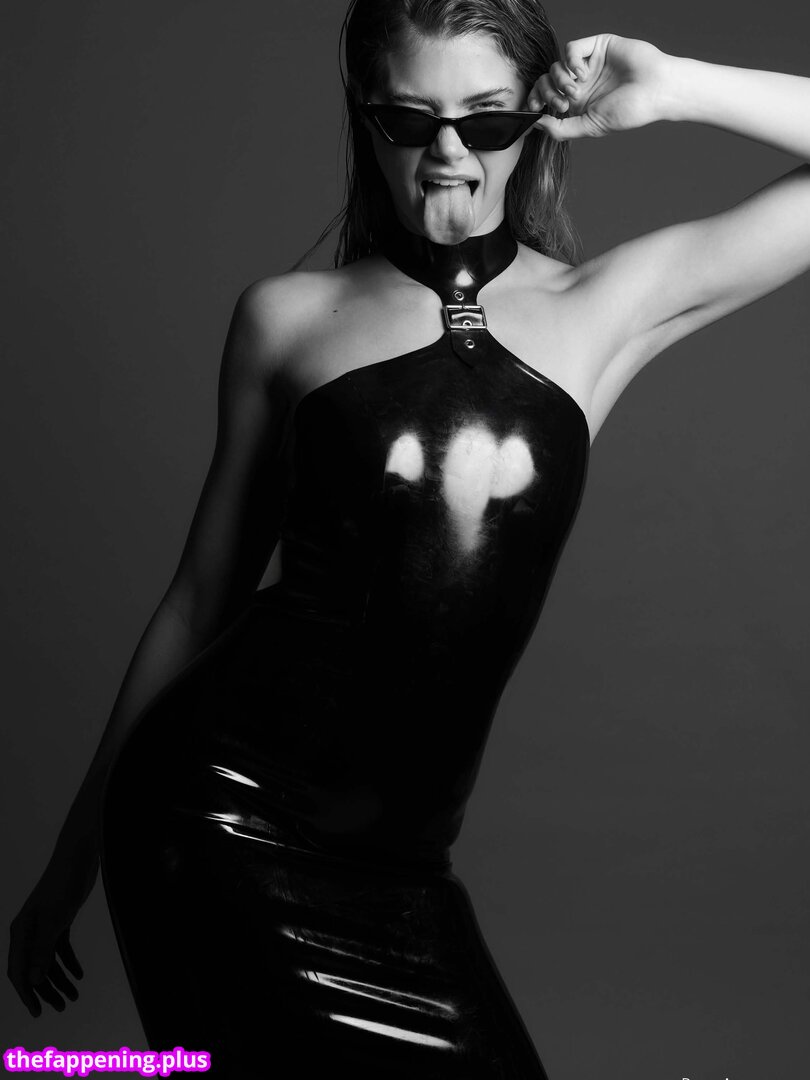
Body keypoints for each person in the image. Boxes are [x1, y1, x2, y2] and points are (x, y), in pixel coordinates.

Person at [8, 0, 810, 1075]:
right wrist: (74, 862)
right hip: (217, 819)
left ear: (536, 119)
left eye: (486, 120)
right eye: (408, 120)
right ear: (366, 120)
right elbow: (199, 601)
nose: (448, 154)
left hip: (404, 875)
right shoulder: (286, 318)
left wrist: (674, 87)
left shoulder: (601, 308)